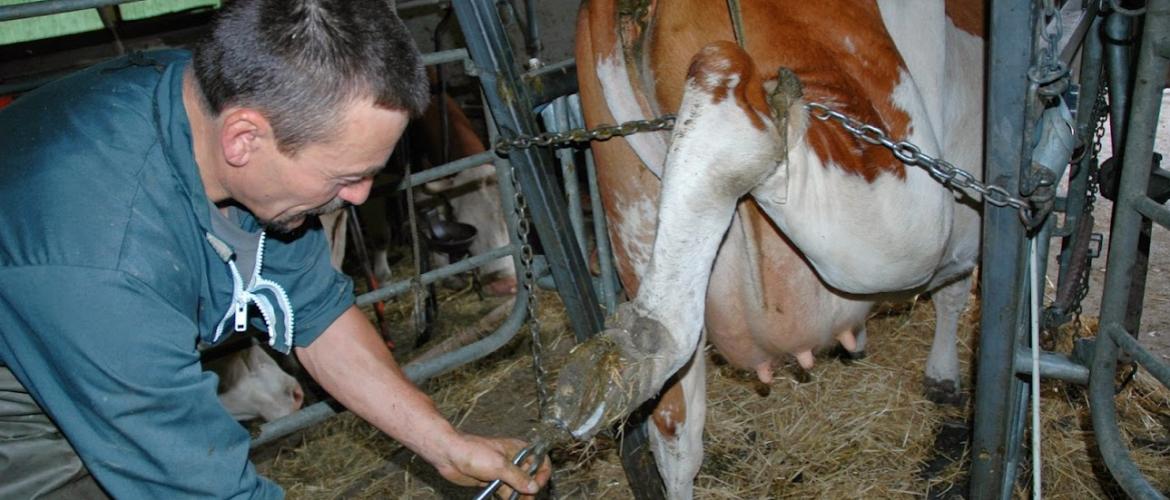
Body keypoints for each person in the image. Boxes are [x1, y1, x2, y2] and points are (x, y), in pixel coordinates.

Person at [0, 0, 550, 497]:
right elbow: (198, 489)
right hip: (21, 426)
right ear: (244, 139)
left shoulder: (226, 106)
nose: (358, 197)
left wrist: (443, 442)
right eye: (346, 176)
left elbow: (314, 309)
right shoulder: (102, 258)